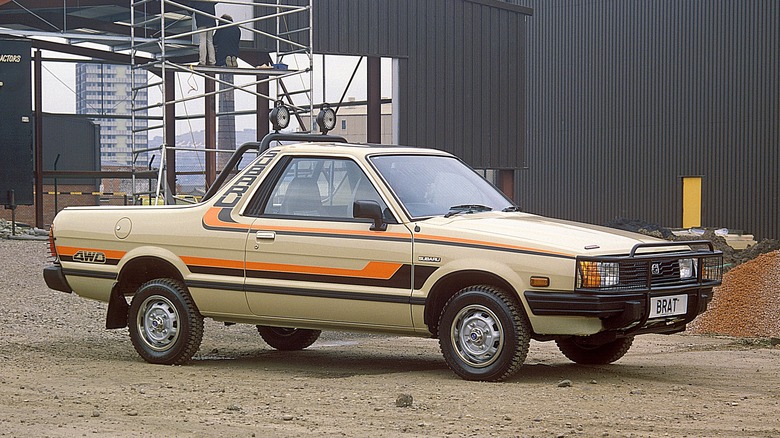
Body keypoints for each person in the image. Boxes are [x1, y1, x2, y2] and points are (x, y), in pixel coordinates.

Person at [190, 1, 216, 65]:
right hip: (211, 20)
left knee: (202, 41)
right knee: (210, 41)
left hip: (201, 21)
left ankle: (202, 61)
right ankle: (212, 61)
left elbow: (190, 8)